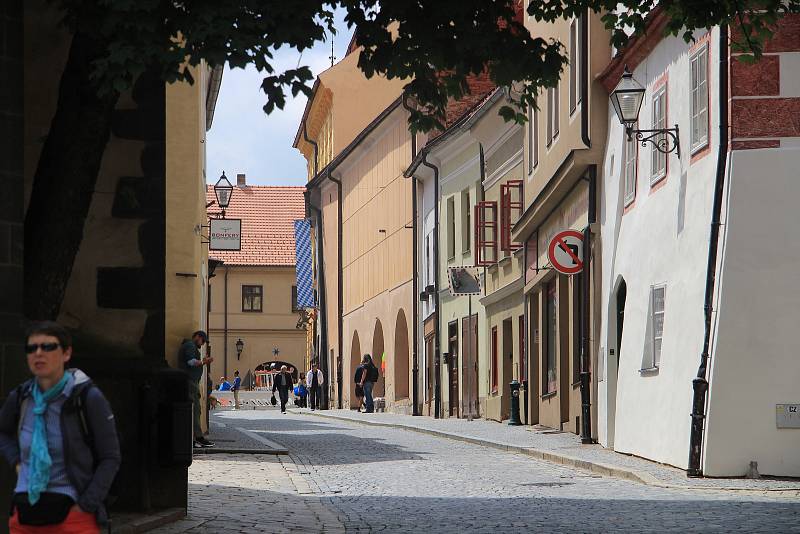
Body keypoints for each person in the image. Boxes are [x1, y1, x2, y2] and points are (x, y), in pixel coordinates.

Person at [0, 321, 121, 533]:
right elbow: (2, 431)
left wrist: (86, 505)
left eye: (48, 347)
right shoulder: (21, 397)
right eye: (32, 348)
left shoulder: (87, 398)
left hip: (72, 519)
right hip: (24, 515)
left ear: (66, 353)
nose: (38, 353)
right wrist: (17, 462)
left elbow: (110, 457)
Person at [179, 331, 214, 448]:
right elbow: (191, 362)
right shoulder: (190, 345)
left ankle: (193, 438)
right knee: (194, 410)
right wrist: (204, 361)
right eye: (202, 340)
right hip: (190, 381)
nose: (203, 343)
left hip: (191, 381)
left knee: (194, 410)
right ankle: (197, 437)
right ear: (197, 337)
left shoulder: (191, 346)